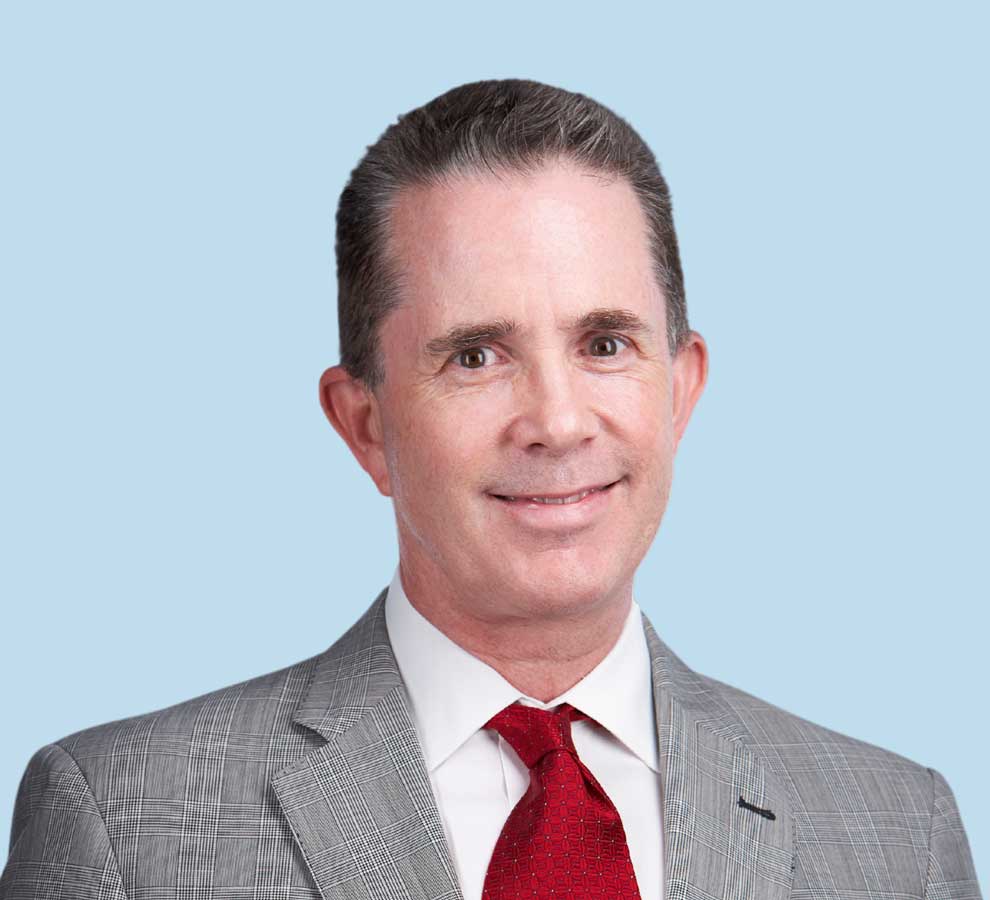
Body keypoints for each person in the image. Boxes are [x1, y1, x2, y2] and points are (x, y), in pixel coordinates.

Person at [0, 79, 980, 900]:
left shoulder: (899, 834)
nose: (556, 421)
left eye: (605, 344)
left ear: (680, 388)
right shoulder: (124, 828)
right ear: (366, 424)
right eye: (475, 355)